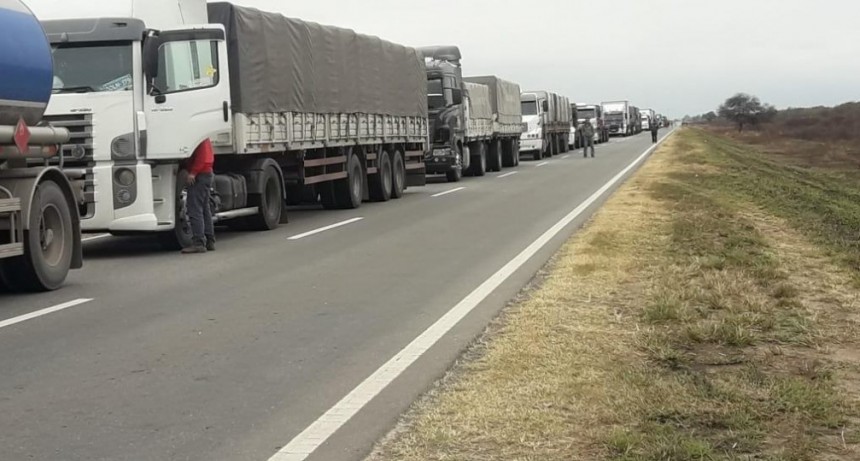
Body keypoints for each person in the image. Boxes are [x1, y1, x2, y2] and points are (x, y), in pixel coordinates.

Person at [182, 139, 216, 254]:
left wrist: (193, 172)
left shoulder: (200, 139)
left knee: (195, 209)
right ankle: (209, 240)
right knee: (205, 209)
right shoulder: (205, 138)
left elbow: (202, 158)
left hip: (200, 175)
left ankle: (198, 243)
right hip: (206, 174)